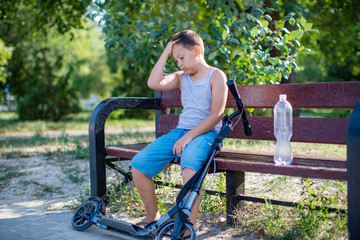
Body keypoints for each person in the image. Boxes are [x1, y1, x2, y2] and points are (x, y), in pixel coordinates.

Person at [130, 30, 228, 227]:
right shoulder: (181, 77)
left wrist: (188, 137)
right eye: (176, 60)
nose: (179, 63)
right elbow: (153, 83)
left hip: (207, 134)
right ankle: (152, 216)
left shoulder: (216, 76)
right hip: (181, 132)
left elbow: (216, 115)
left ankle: (186, 226)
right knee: (138, 164)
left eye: (181, 57)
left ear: (197, 50)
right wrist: (166, 52)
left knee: (189, 166)